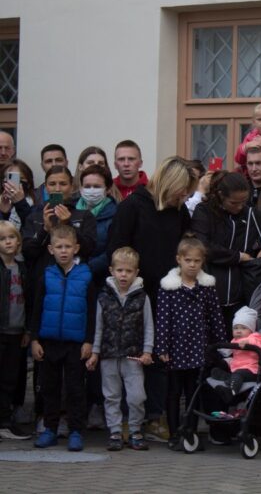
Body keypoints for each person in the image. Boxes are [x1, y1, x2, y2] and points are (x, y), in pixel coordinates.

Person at [106, 156, 195, 443]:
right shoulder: (133, 207)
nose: (184, 196)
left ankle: (155, 418)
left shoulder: (179, 212)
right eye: (181, 190)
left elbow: (187, 247)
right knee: (129, 358)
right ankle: (124, 420)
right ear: (169, 183)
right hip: (133, 297)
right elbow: (117, 248)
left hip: (168, 297)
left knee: (159, 358)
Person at [191, 171, 261, 329]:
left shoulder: (250, 213)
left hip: (242, 298)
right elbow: (204, 247)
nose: (240, 207)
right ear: (220, 195)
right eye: (234, 203)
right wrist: (238, 256)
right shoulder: (203, 211)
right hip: (209, 294)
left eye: (243, 202)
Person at [154, 235, 226, 450]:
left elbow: (215, 317)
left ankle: (191, 432)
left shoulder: (207, 287)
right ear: (179, 259)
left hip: (199, 348)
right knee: (174, 392)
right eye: (188, 260)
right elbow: (163, 319)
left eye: (196, 261)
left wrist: (219, 345)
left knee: (195, 391)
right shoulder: (168, 288)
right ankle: (175, 432)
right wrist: (162, 347)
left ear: (202, 261)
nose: (192, 265)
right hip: (176, 348)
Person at [29, 225, 96, 451]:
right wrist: (35, 339)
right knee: (50, 387)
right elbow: (36, 308)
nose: (64, 251)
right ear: (50, 249)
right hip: (49, 342)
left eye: (68, 246)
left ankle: (76, 430)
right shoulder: (46, 275)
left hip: (76, 343)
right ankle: (50, 428)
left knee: (75, 388)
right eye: (59, 246)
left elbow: (91, 311)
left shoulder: (86, 275)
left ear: (76, 248)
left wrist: (89, 341)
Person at [85, 247, 153, 451]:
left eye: (129, 271)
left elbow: (149, 325)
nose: (124, 275)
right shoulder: (104, 297)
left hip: (133, 355)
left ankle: (134, 430)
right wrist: (95, 352)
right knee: (111, 395)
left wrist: (147, 351)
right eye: (120, 270)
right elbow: (99, 326)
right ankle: (115, 431)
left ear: (136, 272)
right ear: (111, 271)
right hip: (108, 354)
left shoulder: (142, 297)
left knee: (136, 396)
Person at [22, 166, 97, 282]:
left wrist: (68, 224)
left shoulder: (85, 216)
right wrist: (45, 229)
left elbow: (88, 249)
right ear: (46, 187)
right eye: (52, 184)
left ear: (72, 187)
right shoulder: (35, 216)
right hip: (41, 282)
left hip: (74, 282)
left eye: (63, 184)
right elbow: (28, 252)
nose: (57, 188)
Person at [0, 221, 30, 440]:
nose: (8, 242)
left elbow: (29, 300)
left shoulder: (22, 267)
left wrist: (28, 330)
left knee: (10, 379)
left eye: (11, 237)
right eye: (2, 239)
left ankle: (5, 421)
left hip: (17, 331)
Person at [211, 306, 261, 398]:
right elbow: (228, 352)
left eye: (243, 328)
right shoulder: (234, 340)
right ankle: (230, 378)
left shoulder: (256, 337)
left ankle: (230, 392)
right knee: (216, 370)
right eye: (236, 328)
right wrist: (221, 348)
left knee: (239, 374)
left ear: (251, 329)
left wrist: (249, 342)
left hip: (254, 370)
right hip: (238, 368)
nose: (238, 331)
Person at [77, 165, 118, 286]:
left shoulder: (116, 214)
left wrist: (87, 268)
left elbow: (113, 250)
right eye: (87, 186)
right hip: (73, 277)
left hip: (101, 279)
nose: (91, 190)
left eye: (97, 186)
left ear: (108, 188)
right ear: (81, 188)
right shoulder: (70, 211)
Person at [0, 159, 35, 229]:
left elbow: (33, 228)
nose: (13, 184)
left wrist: (20, 203)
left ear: (28, 183)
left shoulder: (36, 203)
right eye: (10, 178)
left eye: (20, 178)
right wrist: (4, 213)